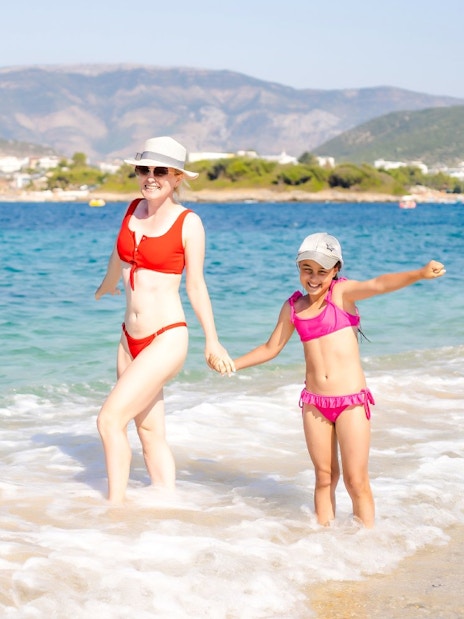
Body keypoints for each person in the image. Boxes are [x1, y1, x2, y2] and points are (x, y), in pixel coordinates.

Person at [212, 232, 445, 527]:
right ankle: (324, 544)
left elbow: (378, 284)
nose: (313, 277)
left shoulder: (342, 295)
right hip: (314, 404)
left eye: (322, 271)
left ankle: (367, 541)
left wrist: (420, 274)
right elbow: (271, 348)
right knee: (324, 477)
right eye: (307, 269)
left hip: (350, 403)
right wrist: (231, 364)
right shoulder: (293, 307)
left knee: (355, 479)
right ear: (298, 269)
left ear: (335, 271)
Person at [95, 136, 234, 503]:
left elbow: (197, 285)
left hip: (166, 336)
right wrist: (106, 285)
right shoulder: (132, 209)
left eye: (160, 171)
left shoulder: (189, 223)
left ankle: (114, 511)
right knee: (149, 430)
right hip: (129, 338)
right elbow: (119, 254)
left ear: (178, 177)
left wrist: (212, 339)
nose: (150, 177)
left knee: (109, 420)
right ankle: (166, 509)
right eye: (144, 169)